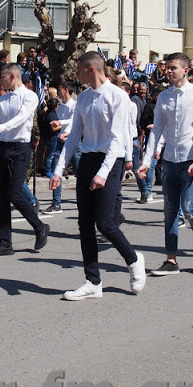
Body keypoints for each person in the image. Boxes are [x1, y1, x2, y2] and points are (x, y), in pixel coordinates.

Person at [50, 51, 145, 300]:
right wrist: (58, 170)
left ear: (91, 70)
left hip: (109, 161)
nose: (76, 75)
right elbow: (73, 137)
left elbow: (117, 139)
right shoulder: (83, 98)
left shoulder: (118, 97)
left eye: (79, 70)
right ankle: (93, 281)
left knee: (104, 222)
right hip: (89, 159)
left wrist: (103, 173)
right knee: (85, 223)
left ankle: (134, 260)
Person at [137, 52, 193, 276]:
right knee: (170, 211)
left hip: (191, 160)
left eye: (173, 68)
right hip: (170, 160)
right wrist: (147, 160)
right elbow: (157, 130)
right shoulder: (164, 97)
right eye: (167, 68)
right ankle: (171, 259)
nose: (168, 71)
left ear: (186, 70)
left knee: (189, 208)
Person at [0, 64, 50, 257]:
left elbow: (22, 118)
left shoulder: (30, 96)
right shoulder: (2, 100)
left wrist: (2, 128)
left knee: (15, 193)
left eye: (2, 77)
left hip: (20, 148)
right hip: (4, 147)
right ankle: (5, 243)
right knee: (2, 197)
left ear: (12, 76)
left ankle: (39, 227)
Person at [44, 82, 79, 214]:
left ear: (66, 90)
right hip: (61, 140)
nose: (58, 92)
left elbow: (75, 121)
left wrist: (63, 127)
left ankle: (86, 199)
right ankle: (56, 203)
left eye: (60, 89)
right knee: (56, 170)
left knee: (79, 171)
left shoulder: (75, 106)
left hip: (74, 140)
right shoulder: (60, 109)